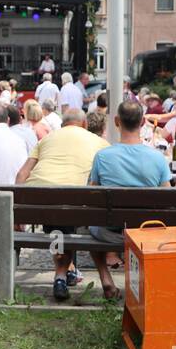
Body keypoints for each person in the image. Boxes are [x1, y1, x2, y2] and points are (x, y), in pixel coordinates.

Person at [15, 108, 107, 300]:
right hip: (76, 203)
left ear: (63, 124)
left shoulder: (47, 139)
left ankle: (64, 273)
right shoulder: (99, 142)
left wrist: (18, 207)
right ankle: (62, 275)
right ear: (85, 124)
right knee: (68, 218)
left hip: (40, 200)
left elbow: (22, 174)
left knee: (59, 226)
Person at [84, 102, 172, 299]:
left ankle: (106, 278)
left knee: (91, 225)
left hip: (110, 232)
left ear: (116, 122)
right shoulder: (157, 158)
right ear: (142, 122)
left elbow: (92, 197)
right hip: (146, 232)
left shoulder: (102, 156)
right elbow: (168, 198)